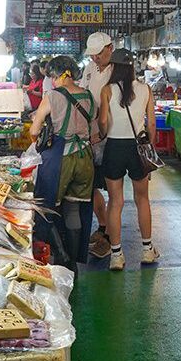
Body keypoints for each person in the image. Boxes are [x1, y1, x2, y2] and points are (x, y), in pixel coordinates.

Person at [30, 56, 97, 266]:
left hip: (61, 158)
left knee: (46, 207)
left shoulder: (52, 96)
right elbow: (97, 130)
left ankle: (62, 255)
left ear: (64, 74)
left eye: (53, 76)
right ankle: (73, 262)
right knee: (74, 209)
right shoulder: (89, 96)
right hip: (85, 158)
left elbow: (34, 130)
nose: (53, 81)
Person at [97, 48, 159, 271]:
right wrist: (149, 147)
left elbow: (103, 121)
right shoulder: (145, 89)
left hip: (114, 147)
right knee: (142, 199)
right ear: (132, 67)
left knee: (115, 202)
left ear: (113, 66)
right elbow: (151, 124)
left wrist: (103, 132)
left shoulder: (107, 90)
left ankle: (116, 255)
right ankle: (147, 249)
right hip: (137, 149)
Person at [80, 32, 115, 259]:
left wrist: (103, 132)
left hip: (112, 135)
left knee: (114, 189)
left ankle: (111, 237)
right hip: (92, 134)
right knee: (91, 186)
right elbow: (84, 95)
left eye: (99, 54)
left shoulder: (118, 72)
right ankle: (103, 227)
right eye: (92, 55)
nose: (95, 59)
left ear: (110, 48)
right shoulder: (90, 69)